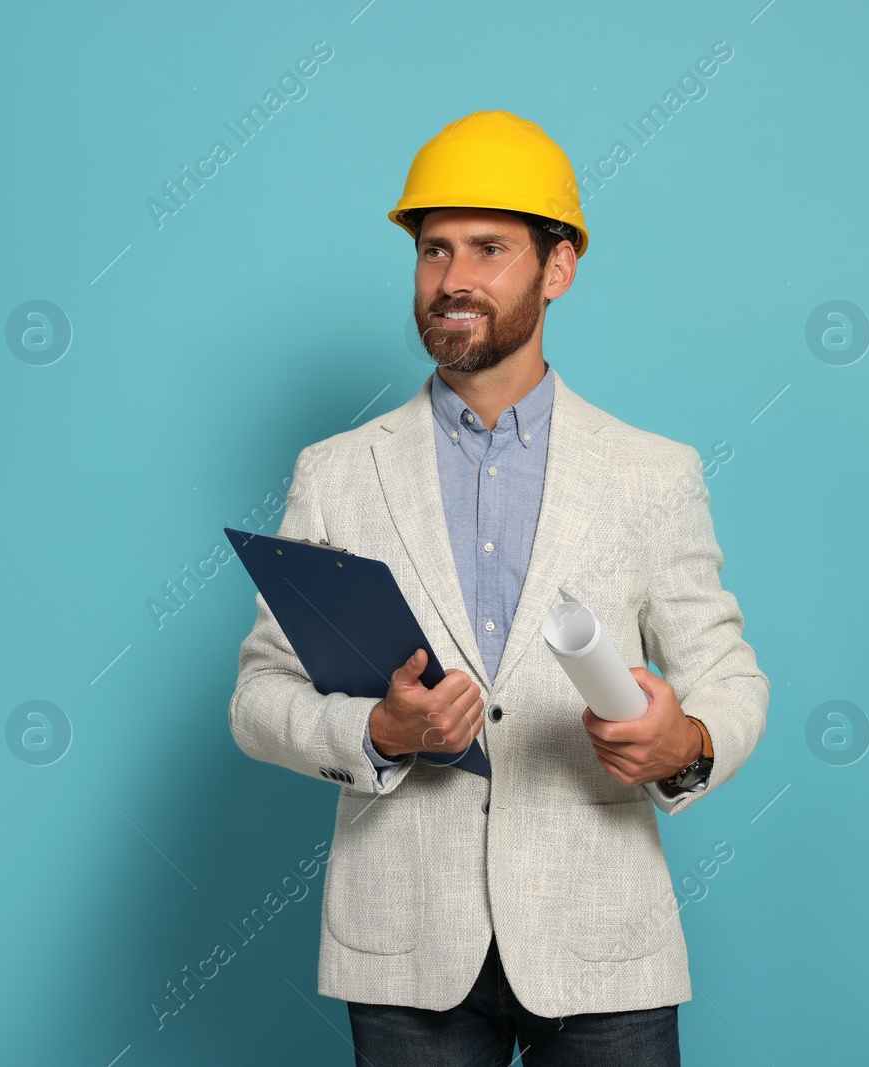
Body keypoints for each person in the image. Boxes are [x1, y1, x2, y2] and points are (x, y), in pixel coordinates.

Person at [226, 110, 768, 1066]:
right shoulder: (337, 472)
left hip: (603, 938)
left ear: (558, 268)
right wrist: (378, 733)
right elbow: (258, 700)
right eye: (434, 251)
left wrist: (682, 741)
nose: (454, 280)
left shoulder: (652, 473)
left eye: (489, 248)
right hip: (404, 942)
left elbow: (730, 679)